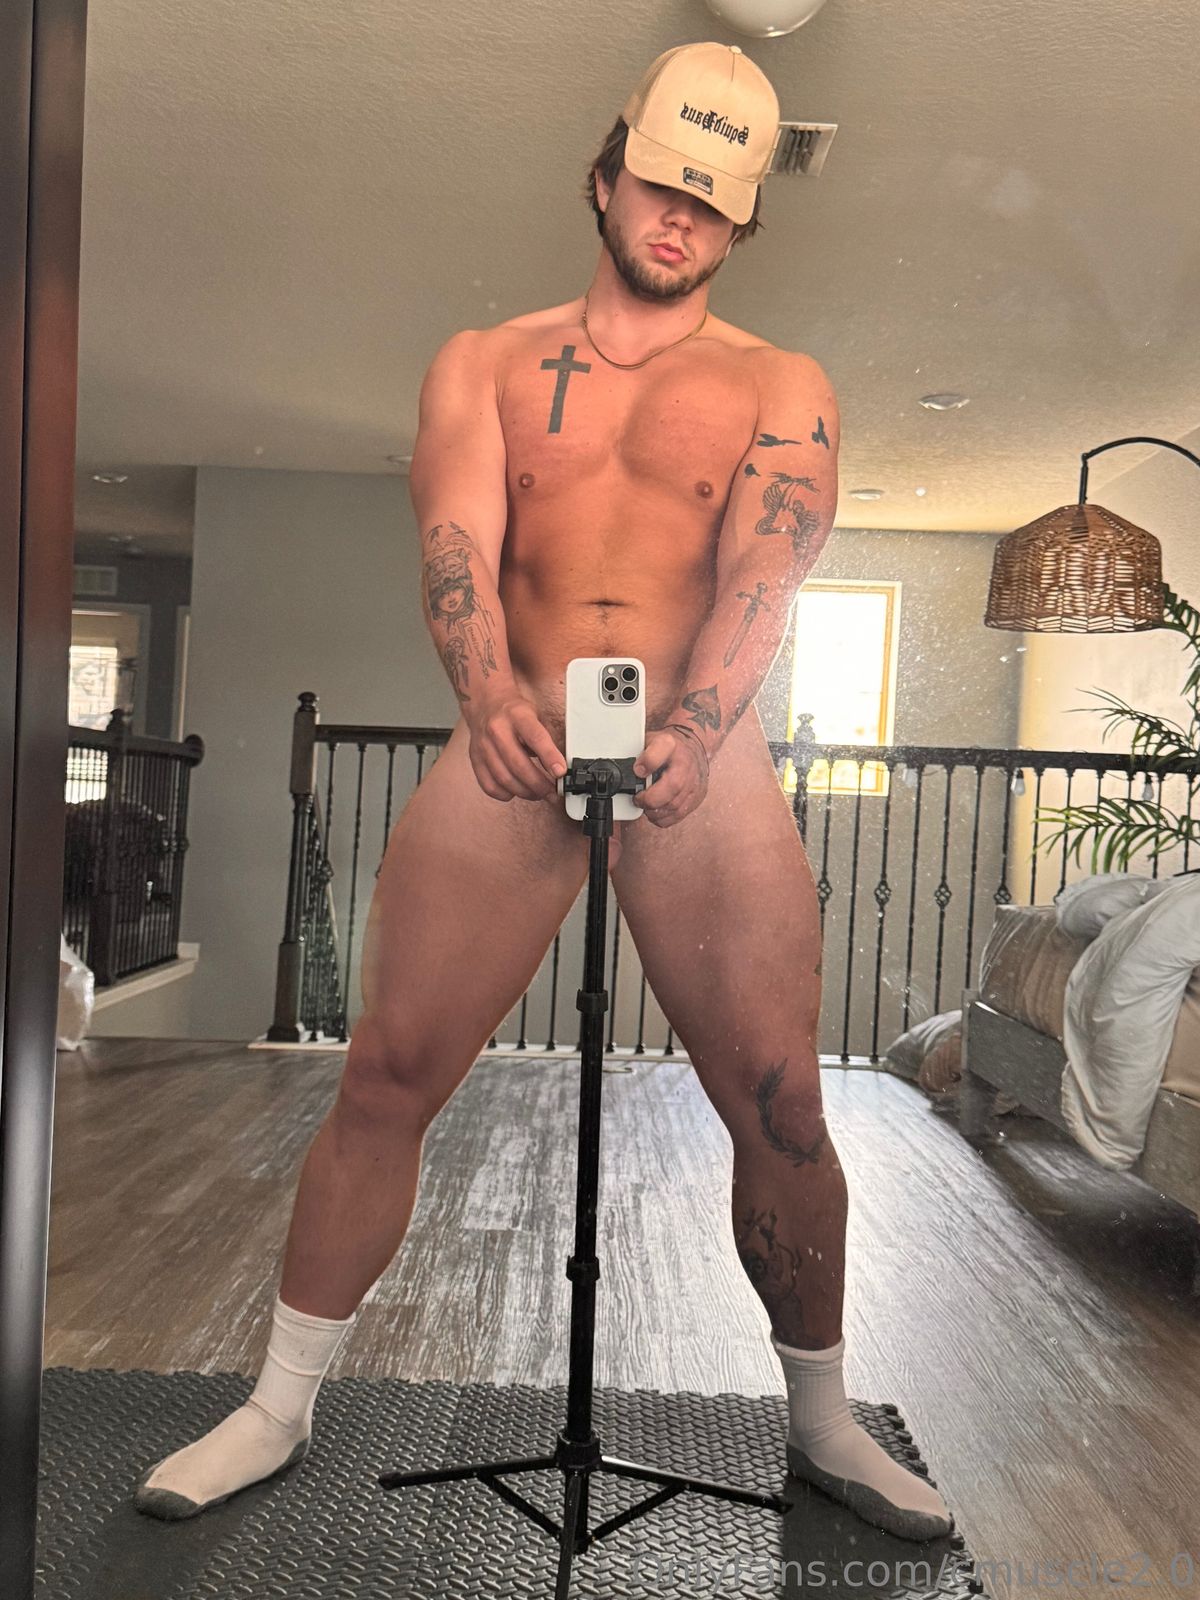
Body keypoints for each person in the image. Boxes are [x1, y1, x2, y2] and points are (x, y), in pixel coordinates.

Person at [135, 41, 953, 1544]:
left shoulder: (779, 383)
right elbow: (456, 537)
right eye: (660, 183)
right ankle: (276, 1405)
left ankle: (826, 1422)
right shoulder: (485, 362)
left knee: (783, 1100)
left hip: (702, 756)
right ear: (605, 172)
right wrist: (486, 695)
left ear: (742, 222)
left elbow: (766, 575)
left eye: (713, 202)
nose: (679, 217)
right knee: (386, 1073)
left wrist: (702, 724)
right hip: (512, 737)